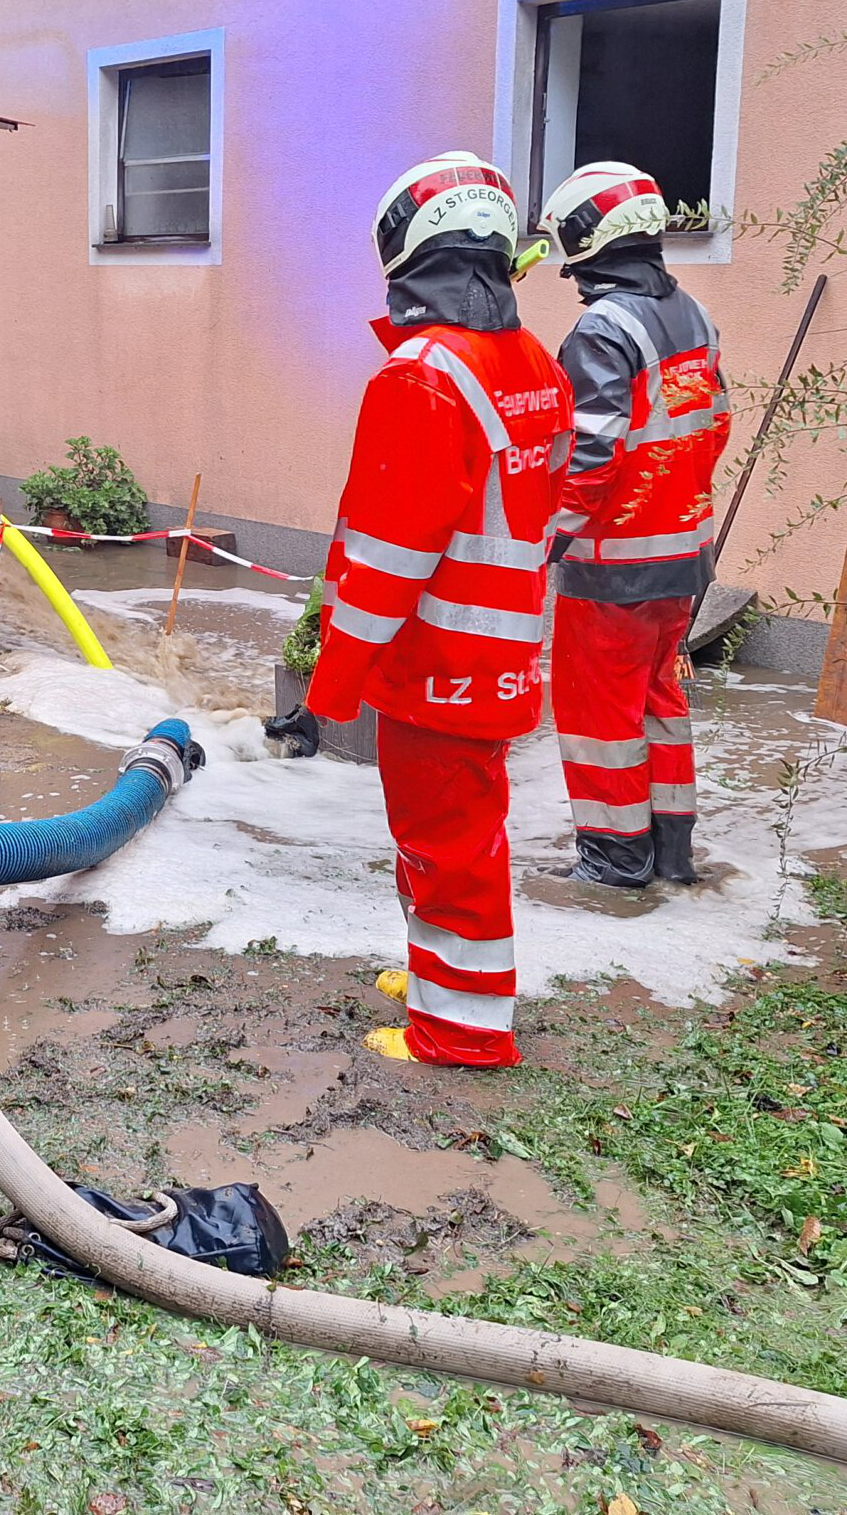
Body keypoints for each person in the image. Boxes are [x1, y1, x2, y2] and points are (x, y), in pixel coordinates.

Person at [265, 154, 573, 1071]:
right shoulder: (532, 361)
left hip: (436, 654)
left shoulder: (424, 375)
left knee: (448, 846)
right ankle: (439, 977)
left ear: (407, 253)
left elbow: (391, 555)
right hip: (503, 646)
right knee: (451, 834)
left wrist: (333, 680)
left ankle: (463, 1033)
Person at [538, 162, 732, 888]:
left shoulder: (601, 329)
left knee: (598, 712)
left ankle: (615, 860)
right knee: (658, 696)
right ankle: (671, 852)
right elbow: (715, 427)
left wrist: (548, 539)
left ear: (589, 242)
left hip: (613, 561)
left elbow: (591, 453)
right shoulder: (696, 315)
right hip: (683, 552)